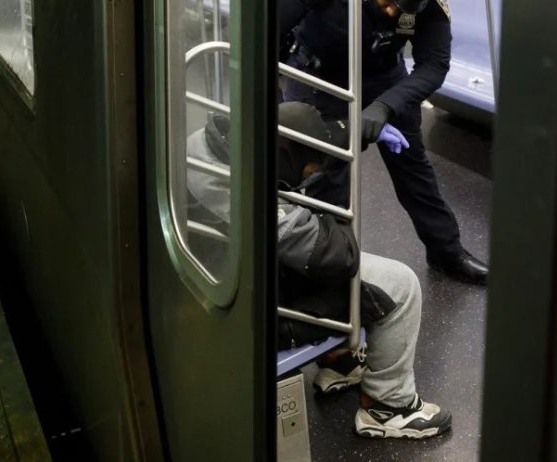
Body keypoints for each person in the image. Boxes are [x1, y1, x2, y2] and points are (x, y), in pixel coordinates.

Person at [186, 102, 453, 439]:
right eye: (308, 170)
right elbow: (338, 256)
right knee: (400, 285)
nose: (310, 176)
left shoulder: (214, 142)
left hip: (220, 276)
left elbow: (300, 140)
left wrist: (353, 130)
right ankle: (389, 407)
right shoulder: (240, 197)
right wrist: (332, 211)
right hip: (250, 309)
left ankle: (338, 361)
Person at [278, 0, 489, 285]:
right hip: (318, 76)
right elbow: (268, 22)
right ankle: (325, 268)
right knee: (327, 175)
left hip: (382, 75)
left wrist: (385, 107)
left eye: (404, 9)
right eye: (391, 0)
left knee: (414, 167)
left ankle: (446, 251)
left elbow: (434, 64)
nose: (393, 11)